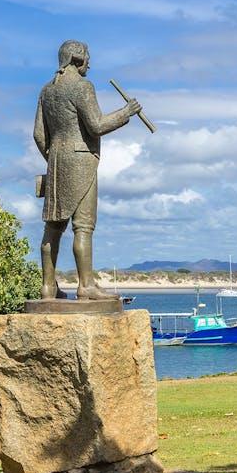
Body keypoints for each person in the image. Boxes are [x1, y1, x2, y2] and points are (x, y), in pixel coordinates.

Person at [33, 39, 141, 300]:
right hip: (81, 161)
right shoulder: (82, 87)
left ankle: (47, 287)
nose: (90, 63)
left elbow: (38, 135)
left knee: (53, 227)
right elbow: (96, 125)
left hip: (56, 160)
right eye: (88, 57)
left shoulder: (47, 90)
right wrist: (126, 112)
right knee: (83, 226)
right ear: (77, 58)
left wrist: (54, 156)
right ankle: (86, 286)